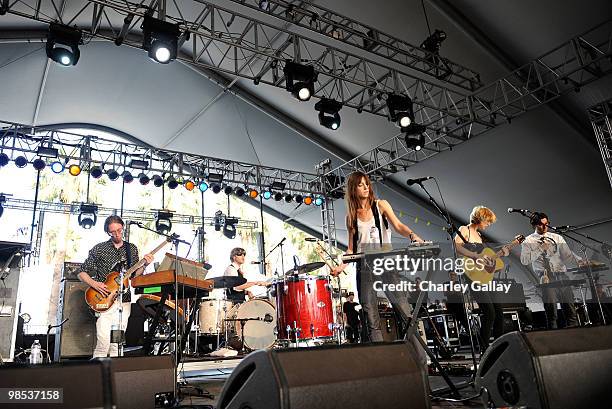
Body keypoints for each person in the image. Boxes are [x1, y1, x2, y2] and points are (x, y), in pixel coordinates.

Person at [332, 171, 424, 349]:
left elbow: (398, 226)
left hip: (386, 263)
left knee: (403, 309)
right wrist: (340, 266)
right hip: (364, 266)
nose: (366, 187)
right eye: (361, 184)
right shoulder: (351, 217)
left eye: (367, 183)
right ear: (353, 189)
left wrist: (414, 236)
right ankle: (382, 357)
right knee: (370, 314)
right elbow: (352, 249)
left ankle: (419, 355)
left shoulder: (381, 205)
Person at [78, 215, 154, 358]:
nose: (117, 234)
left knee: (117, 344)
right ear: (107, 232)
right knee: (103, 342)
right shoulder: (100, 249)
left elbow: (134, 277)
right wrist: (96, 284)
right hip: (104, 299)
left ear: (123, 228)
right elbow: (81, 272)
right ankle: (95, 374)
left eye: (119, 230)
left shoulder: (131, 249)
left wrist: (145, 265)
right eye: (112, 232)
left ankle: (115, 376)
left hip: (124, 300)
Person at [454, 205, 507, 353]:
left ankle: (499, 348)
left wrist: (501, 255)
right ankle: (484, 350)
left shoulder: (479, 236)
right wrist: (475, 256)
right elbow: (457, 247)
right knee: (489, 312)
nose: (488, 225)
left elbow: (486, 261)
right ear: (481, 218)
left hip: (484, 277)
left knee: (499, 313)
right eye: (488, 221)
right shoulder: (465, 229)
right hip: (471, 275)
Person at [520, 212, 579, 329]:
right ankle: (554, 339)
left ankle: (575, 335)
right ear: (534, 225)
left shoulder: (557, 237)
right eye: (541, 225)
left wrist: (580, 261)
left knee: (570, 309)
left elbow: (568, 255)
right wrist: (540, 248)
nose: (545, 227)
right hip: (546, 277)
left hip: (561, 275)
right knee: (551, 312)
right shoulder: (528, 241)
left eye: (547, 224)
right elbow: (524, 260)